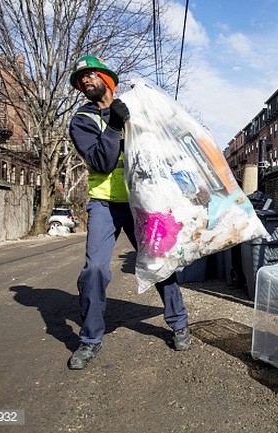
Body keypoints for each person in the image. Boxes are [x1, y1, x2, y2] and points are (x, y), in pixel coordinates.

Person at [66, 55, 191, 370]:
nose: (85, 82)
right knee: (94, 270)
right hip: (105, 203)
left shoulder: (136, 105)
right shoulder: (82, 119)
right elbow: (101, 162)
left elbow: (164, 145)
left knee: (159, 262)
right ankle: (90, 339)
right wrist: (115, 126)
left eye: (91, 75)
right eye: (81, 80)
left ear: (107, 79)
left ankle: (179, 323)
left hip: (145, 200)